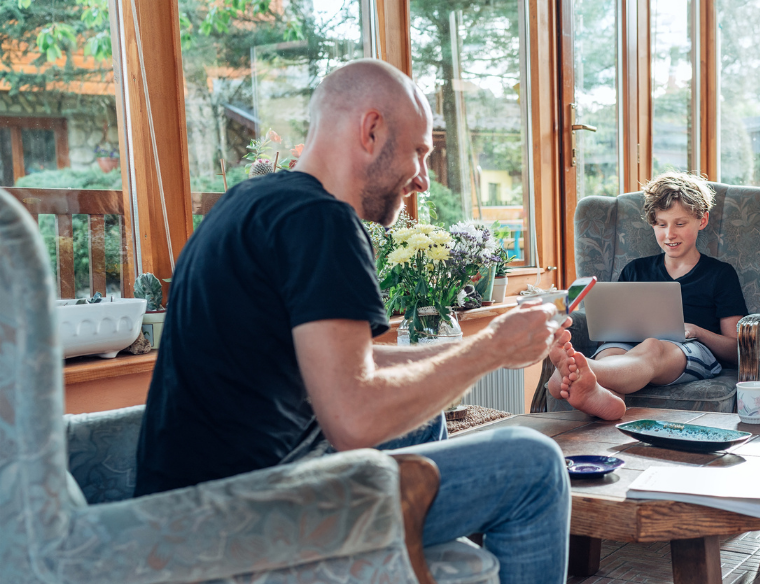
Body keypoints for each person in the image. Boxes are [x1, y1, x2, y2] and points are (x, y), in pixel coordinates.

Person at [134, 59, 572, 584]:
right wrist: (491, 351)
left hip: (184, 507)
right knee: (534, 466)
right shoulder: (322, 222)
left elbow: (342, 365)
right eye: (419, 153)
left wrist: (493, 346)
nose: (424, 181)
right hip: (241, 523)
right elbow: (354, 418)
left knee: (422, 418)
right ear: (371, 130)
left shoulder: (251, 202)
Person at [547, 171, 748, 420]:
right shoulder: (635, 269)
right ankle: (604, 398)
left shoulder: (720, 274)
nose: (669, 234)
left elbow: (736, 349)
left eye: (680, 224)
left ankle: (579, 370)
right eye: (661, 224)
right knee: (611, 352)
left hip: (689, 350)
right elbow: (611, 330)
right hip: (627, 346)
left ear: (702, 220)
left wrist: (696, 330)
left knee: (653, 346)